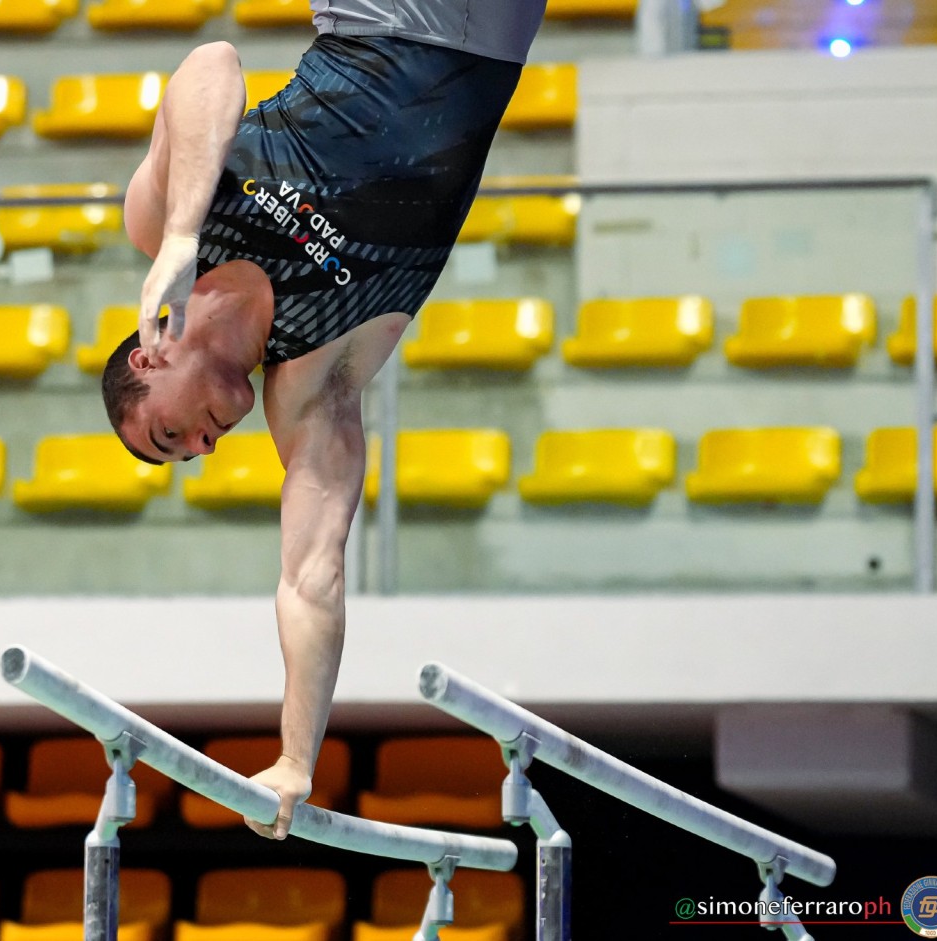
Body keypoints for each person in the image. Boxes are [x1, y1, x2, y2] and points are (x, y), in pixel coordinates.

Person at [103, 1, 548, 839]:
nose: (203, 445)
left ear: (148, 360)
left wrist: (184, 233)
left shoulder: (159, 225)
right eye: (190, 453)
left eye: (171, 434)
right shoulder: (310, 388)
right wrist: (295, 757)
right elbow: (310, 577)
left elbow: (212, 63)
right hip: (493, 36)